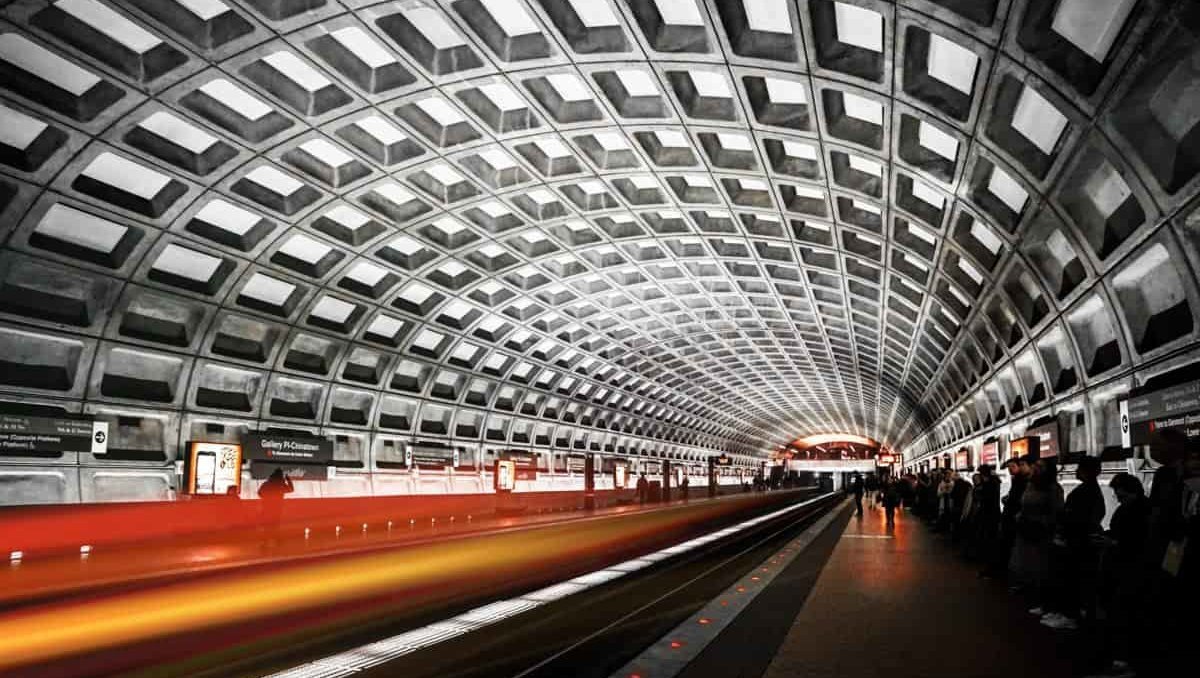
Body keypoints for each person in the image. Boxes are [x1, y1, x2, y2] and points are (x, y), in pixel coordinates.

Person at [1089, 473, 1149, 678]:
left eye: (1119, 492)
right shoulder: (1136, 507)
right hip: (1122, 566)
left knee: (1122, 613)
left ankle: (1122, 661)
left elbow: (1138, 543)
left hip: (1127, 568)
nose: (1116, 496)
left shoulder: (1140, 510)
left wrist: (1112, 542)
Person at [1042, 456, 1106, 630]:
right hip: (1078, 540)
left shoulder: (1087, 492)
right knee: (1071, 579)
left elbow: (1080, 517)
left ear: (1086, 471)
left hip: (1077, 542)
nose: (1076, 471)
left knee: (1073, 579)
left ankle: (1070, 615)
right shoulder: (1091, 490)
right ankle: (1066, 612)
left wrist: (1065, 527)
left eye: (1080, 468)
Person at [1011, 458, 1064, 613]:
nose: (1036, 468)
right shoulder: (1030, 485)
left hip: (1041, 532)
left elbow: (1056, 512)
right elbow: (1024, 504)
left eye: (1040, 466)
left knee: (1042, 567)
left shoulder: (1053, 489)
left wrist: (1042, 521)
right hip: (1026, 529)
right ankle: (1033, 596)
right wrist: (1021, 515)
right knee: (1027, 564)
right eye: (1036, 466)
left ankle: (1045, 603)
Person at [258, 468, 294, 542]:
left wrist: (266, 498)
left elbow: (259, 493)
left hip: (266, 506)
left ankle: (265, 540)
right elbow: (291, 489)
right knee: (276, 524)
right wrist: (288, 480)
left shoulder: (266, 483)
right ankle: (277, 539)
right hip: (277, 507)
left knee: (266, 524)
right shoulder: (281, 485)